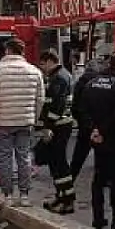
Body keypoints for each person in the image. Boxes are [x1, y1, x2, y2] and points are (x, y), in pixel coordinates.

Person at [78, 54, 115, 229]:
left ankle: (98, 217)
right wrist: (103, 129)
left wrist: (94, 130)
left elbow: (82, 110)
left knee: (98, 179)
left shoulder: (91, 84)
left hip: (98, 139)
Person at [0, 38, 44, 205]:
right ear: (22, 51)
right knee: (24, 157)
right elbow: (40, 99)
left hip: (1, 122)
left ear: (7, 50)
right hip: (25, 122)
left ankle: (8, 196)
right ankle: (24, 195)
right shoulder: (34, 71)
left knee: (4, 159)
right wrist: (34, 118)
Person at [36, 50, 78, 214]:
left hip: (59, 126)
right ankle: (60, 196)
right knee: (55, 162)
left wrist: (48, 127)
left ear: (49, 61)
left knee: (59, 163)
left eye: (42, 64)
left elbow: (56, 106)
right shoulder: (60, 75)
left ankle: (67, 200)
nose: (42, 68)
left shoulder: (59, 78)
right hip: (59, 125)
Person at [67, 57, 104, 179]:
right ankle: (101, 181)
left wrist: (80, 120)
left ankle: (70, 180)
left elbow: (75, 105)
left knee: (79, 155)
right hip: (99, 124)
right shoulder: (102, 83)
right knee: (100, 155)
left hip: (85, 124)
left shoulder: (81, 82)